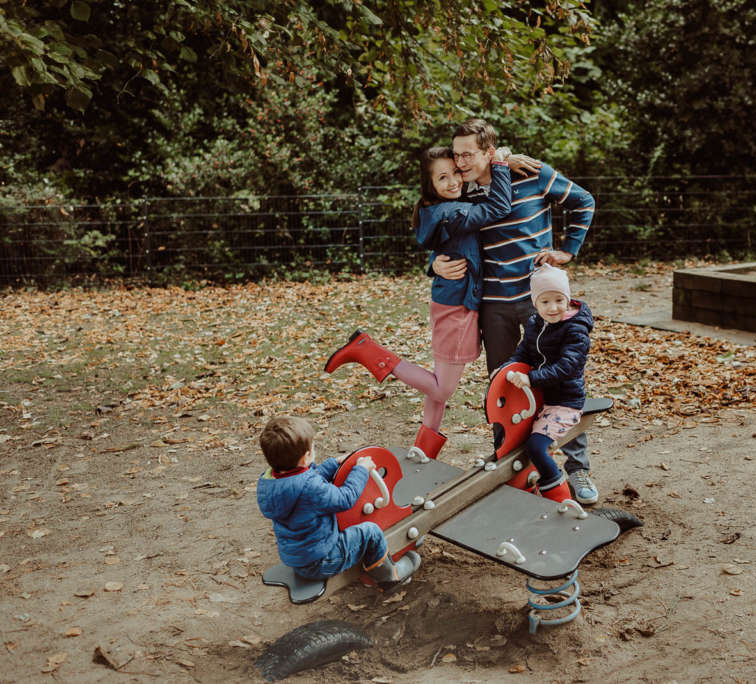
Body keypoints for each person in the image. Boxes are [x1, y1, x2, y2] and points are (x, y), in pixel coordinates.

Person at [433, 117, 600, 504]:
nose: (459, 163)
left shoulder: (533, 173)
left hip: (538, 303)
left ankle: (578, 471)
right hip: (494, 306)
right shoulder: (462, 193)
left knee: (560, 383)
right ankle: (511, 468)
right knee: (502, 387)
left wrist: (568, 250)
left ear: (490, 151)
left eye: (467, 154)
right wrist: (435, 264)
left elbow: (584, 201)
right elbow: (439, 233)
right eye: (455, 155)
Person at [324, 147, 513, 461]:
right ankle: (369, 351)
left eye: (455, 172)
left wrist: (434, 264)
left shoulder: (441, 208)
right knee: (441, 389)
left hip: (448, 301)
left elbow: (446, 242)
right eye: (443, 177)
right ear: (430, 185)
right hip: (456, 308)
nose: (453, 181)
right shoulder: (453, 211)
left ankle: (423, 451)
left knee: (437, 385)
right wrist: (501, 164)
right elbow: (498, 208)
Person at [256, 416, 420, 590]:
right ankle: (388, 576)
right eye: (312, 447)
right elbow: (345, 498)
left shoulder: (272, 482)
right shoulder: (310, 488)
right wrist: (361, 470)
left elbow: (307, 479)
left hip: (298, 559)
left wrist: (334, 464)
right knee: (370, 531)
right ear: (305, 458)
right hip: (322, 561)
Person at [504, 264, 593, 502]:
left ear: (567, 298)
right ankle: (530, 484)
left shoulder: (576, 328)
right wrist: (508, 369)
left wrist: (531, 378)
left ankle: (559, 495)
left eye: (558, 300)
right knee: (516, 442)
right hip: (540, 399)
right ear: (535, 303)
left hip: (564, 401)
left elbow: (568, 366)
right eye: (545, 302)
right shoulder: (535, 324)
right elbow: (523, 352)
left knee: (536, 447)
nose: (553, 308)